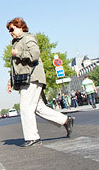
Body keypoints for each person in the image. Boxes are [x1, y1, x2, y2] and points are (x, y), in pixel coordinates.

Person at [6, 18, 75, 146]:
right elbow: (17, 67)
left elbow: (35, 54)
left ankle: (33, 138)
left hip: (32, 77)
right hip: (27, 78)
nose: (10, 32)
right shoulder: (17, 42)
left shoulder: (28, 38)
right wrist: (11, 81)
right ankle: (65, 120)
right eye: (8, 30)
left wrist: (18, 53)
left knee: (26, 107)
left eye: (11, 29)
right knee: (38, 107)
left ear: (20, 27)